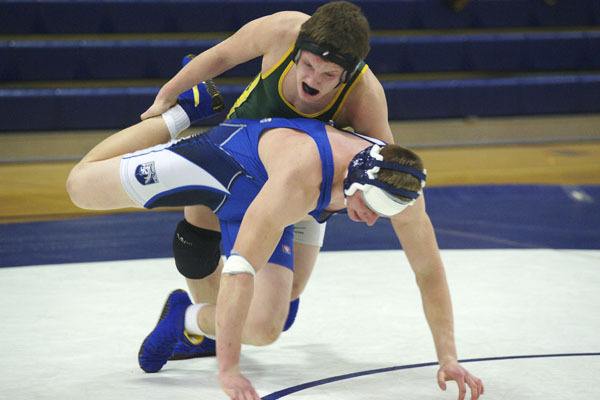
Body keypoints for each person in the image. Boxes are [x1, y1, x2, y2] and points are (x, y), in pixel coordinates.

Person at [66, 112, 485, 400]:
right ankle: (178, 120)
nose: (373, 220)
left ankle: (193, 318)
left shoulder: (398, 183)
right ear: (352, 182)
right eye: (368, 207)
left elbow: (428, 270)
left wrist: (448, 357)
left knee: (277, 312)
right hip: (227, 165)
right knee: (81, 188)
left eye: (384, 212)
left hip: (298, 197)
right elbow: (240, 269)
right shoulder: (300, 179)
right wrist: (228, 369)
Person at [137, 0, 395, 360]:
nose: (312, 80)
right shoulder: (282, 31)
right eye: (307, 65)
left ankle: (201, 323)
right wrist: (167, 94)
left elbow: (387, 166)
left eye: (327, 75)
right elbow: (221, 56)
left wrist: (370, 200)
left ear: (348, 74)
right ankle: (202, 325)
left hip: (299, 188)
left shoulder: (365, 96)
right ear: (297, 50)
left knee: (281, 310)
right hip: (234, 156)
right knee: (195, 241)